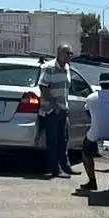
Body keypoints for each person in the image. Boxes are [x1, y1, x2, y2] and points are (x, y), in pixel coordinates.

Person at [37, 44, 74, 179]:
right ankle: (55, 169)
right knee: (53, 141)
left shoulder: (67, 68)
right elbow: (43, 87)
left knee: (63, 140)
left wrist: (64, 106)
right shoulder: (49, 68)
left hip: (63, 109)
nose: (70, 56)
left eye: (71, 53)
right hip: (51, 110)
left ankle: (65, 166)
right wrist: (55, 105)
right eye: (67, 53)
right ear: (59, 53)